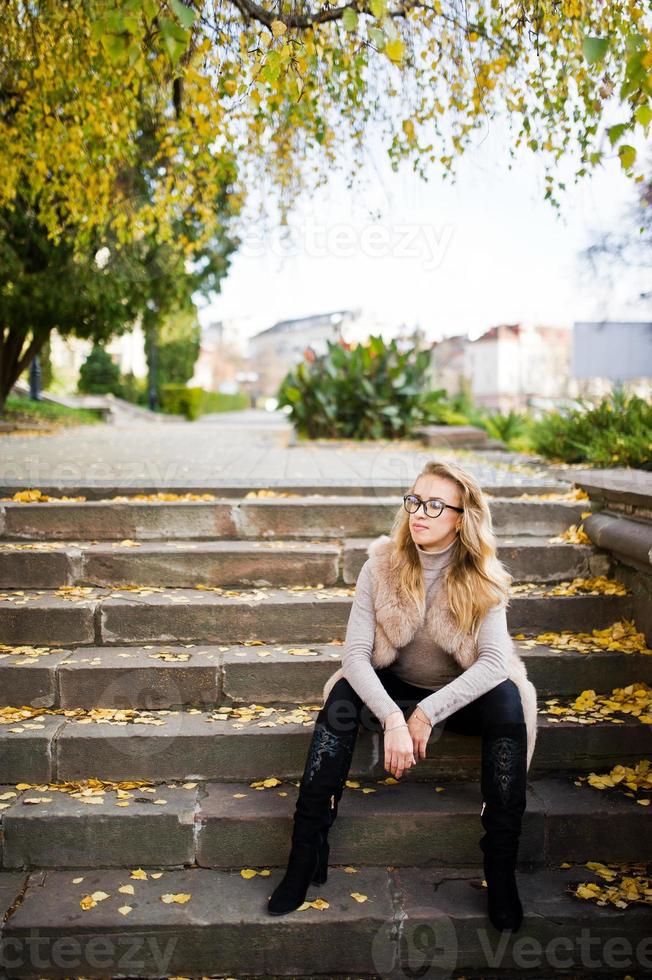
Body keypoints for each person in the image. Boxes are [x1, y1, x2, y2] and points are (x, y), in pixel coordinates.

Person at [267, 459, 537, 932]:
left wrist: (428, 714)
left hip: (459, 696)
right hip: (394, 687)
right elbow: (354, 655)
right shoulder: (381, 566)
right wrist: (395, 718)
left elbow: (493, 664)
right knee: (343, 697)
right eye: (414, 500)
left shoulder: (484, 578)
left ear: (462, 517)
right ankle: (305, 851)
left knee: (508, 700)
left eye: (436, 505)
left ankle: (500, 868)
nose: (420, 513)